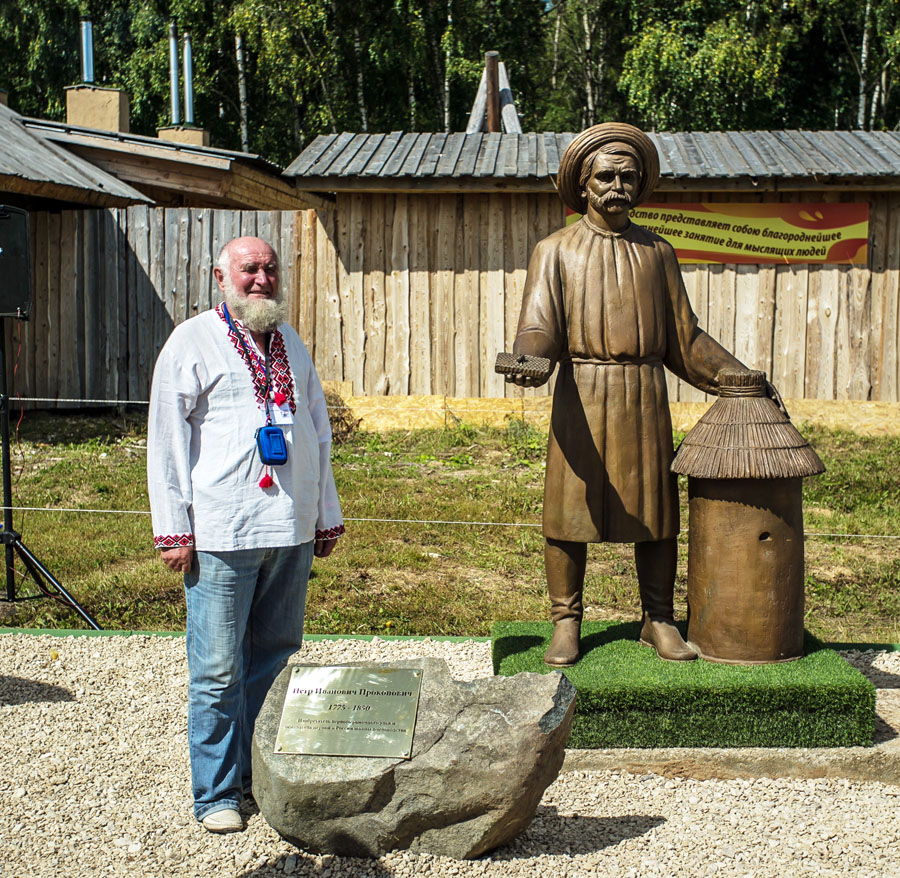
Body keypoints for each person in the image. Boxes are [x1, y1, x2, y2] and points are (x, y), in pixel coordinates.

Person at [506, 122, 758, 668]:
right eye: (606, 176)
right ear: (582, 183)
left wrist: (740, 377)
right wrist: (532, 360)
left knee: (657, 513)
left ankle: (658, 618)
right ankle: (567, 622)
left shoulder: (657, 252)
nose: (617, 185)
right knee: (567, 516)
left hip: (643, 397)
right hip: (582, 397)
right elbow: (538, 327)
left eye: (628, 176)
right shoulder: (554, 251)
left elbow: (685, 338)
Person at [147, 236, 344, 832]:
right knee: (217, 669)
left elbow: (319, 434)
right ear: (220, 276)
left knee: (277, 659)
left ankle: (260, 775)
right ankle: (216, 793)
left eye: (270, 268)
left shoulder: (290, 343)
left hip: (287, 529)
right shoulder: (192, 341)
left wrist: (323, 513)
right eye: (248, 268)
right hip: (222, 530)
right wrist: (173, 528)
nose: (261, 279)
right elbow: (166, 439)